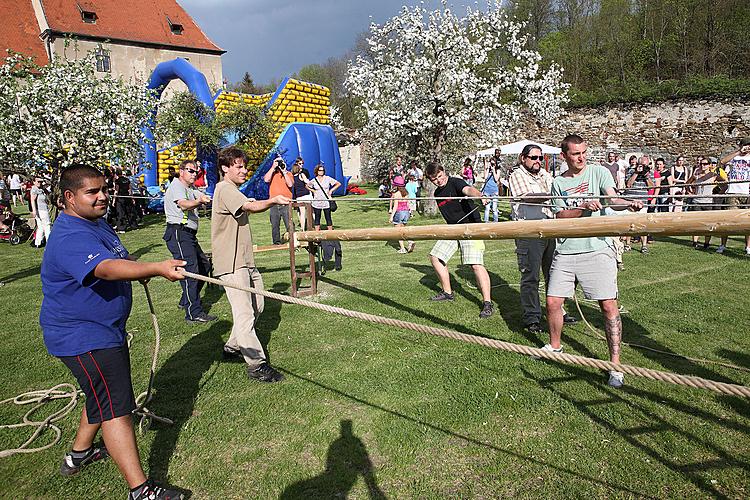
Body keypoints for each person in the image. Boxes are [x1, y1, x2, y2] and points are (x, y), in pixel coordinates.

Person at [40, 164, 186, 499]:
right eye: (92, 192)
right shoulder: (70, 235)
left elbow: (115, 258)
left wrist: (135, 268)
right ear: (68, 197)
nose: (103, 196)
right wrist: (154, 268)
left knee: (101, 394)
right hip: (84, 337)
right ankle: (141, 490)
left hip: (101, 331)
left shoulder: (95, 222)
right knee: (116, 407)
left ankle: (78, 454)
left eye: (104, 189)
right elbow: (104, 268)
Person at [545, 134, 643, 388]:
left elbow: (613, 199)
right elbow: (561, 217)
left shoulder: (599, 173)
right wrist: (583, 208)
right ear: (564, 155)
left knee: (608, 306)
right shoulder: (558, 183)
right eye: (576, 153)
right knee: (553, 301)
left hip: (597, 248)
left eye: (584, 152)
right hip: (566, 249)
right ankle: (555, 346)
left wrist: (627, 204)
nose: (581, 157)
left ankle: (615, 365)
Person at [212, 147, 291, 382]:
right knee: (245, 313)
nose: (244, 171)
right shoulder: (224, 188)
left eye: (245, 166)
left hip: (245, 261)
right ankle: (257, 365)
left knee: (257, 305)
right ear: (225, 168)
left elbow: (246, 203)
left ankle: (233, 347)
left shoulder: (233, 190)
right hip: (232, 263)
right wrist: (274, 199)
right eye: (239, 166)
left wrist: (257, 201)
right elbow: (250, 207)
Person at [508, 144, 577, 334]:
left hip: (550, 230)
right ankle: (532, 317)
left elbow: (560, 190)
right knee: (531, 276)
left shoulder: (545, 175)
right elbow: (527, 197)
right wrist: (552, 195)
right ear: (523, 158)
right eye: (534, 158)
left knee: (555, 275)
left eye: (540, 158)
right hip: (529, 232)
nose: (538, 161)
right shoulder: (517, 175)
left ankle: (558, 311)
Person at [424, 162, 493, 319]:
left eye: (440, 176)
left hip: (470, 227)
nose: (438, 181)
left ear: (444, 171)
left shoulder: (455, 182)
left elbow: (468, 190)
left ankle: (487, 302)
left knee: (475, 264)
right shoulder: (437, 194)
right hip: (453, 229)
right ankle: (448, 293)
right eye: (434, 179)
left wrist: (480, 196)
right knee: (435, 257)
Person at [163, 159, 215, 324]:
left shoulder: (190, 188)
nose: (194, 174)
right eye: (191, 171)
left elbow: (202, 196)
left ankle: (186, 300)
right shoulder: (177, 186)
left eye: (196, 172)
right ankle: (193, 313)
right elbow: (184, 205)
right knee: (190, 271)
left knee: (204, 266)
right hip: (179, 233)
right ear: (181, 171)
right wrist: (199, 201)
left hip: (189, 235)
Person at [716, 137, 750, 255]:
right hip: (733, 192)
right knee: (728, 220)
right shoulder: (735, 157)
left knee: (748, 221)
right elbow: (722, 161)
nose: (747, 147)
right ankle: (723, 245)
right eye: (745, 145)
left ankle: (748, 246)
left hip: (747, 192)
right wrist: (739, 152)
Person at [686, 158, 717, 250]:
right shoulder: (696, 174)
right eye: (701, 164)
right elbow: (687, 183)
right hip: (697, 201)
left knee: (708, 224)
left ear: (709, 165)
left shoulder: (713, 175)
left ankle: (706, 243)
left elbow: (725, 184)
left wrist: (718, 194)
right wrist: (690, 193)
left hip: (708, 202)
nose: (703, 166)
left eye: (705, 164)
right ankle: (695, 242)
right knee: (696, 223)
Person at [625, 156, 654, 253]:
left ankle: (644, 246)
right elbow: (628, 185)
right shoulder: (631, 171)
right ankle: (628, 244)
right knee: (629, 223)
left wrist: (646, 176)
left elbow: (652, 187)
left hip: (643, 202)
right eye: (642, 165)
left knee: (643, 225)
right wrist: (636, 173)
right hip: (631, 201)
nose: (643, 167)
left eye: (645, 165)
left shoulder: (649, 172)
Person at [263, 157, 294, 245]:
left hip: (286, 203)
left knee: (289, 224)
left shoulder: (288, 174)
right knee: (275, 224)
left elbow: (290, 184)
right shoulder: (272, 174)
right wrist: (273, 167)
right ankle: (276, 242)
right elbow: (266, 179)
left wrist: (284, 172)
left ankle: (293, 240)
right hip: (274, 203)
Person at [306, 164, 341, 231]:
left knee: (328, 217)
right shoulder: (314, 180)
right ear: (317, 171)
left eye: (323, 170)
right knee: (317, 217)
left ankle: (330, 233)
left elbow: (338, 184)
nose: (321, 172)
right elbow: (307, 186)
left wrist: (331, 190)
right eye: (320, 170)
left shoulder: (327, 178)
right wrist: (313, 190)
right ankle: (317, 233)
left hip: (326, 201)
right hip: (317, 201)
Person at [388, 175, 415, 254]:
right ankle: (410, 241)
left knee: (398, 232)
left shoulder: (397, 194)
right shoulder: (406, 193)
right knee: (404, 230)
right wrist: (410, 212)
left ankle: (403, 249)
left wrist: (391, 216)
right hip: (406, 212)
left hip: (399, 212)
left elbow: (395, 206)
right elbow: (408, 203)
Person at [290, 157, 312, 231]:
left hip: (299, 197)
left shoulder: (292, 177)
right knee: (310, 212)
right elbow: (308, 182)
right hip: (306, 195)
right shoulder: (301, 175)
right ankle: (311, 226)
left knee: (302, 214)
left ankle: (302, 229)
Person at [30, 176, 52, 248]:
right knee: (47, 225)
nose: (40, 183)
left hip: (41, 210)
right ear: (34, 182)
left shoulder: (41, 189)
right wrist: (34, 211)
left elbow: (49, 185)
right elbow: (32, 200)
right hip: (41, 210)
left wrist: (44, 181)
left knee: (41, 227)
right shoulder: (35, 189)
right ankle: (49, 243)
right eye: (38, 181)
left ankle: (38, 243)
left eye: (40, 181)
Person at [482, 158, 501, 222]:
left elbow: (496, 179)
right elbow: (485, 177)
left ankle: (495, 222)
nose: (492, 165)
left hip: (494, 191)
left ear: (495, 164)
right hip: (487, 191)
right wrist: (487, 169)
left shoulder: (497, 170)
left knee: (494, 208)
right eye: (491, 163)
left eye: (493, 163)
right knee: (487, 208)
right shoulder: (488, 169)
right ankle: (486, 222)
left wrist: (493, 170)